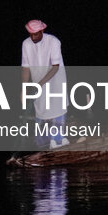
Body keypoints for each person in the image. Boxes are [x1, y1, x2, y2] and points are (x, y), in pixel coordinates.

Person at [21, 19, 69, 149]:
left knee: (57, 108)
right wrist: (24, 87)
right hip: (38, 82)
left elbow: (55, 67)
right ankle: (41, 142)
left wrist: (40, 83)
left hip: (55, 80)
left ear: (42, 31)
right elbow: (25, 67)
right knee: (41, 110)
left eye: (36, 34)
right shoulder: (26, 44)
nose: (33, 37)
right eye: (31, 34)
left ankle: (58, 141)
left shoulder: (53, 42)